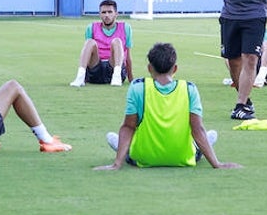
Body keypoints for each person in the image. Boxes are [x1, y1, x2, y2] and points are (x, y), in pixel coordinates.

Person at [96, 42, 238, 170]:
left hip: (144, 157)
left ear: (149, 68)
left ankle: (127, 154)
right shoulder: (189, 89)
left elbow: (128, 127)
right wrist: (216, 164)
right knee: (211, 135)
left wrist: (116, 164)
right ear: (175, 68)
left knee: (112, 137)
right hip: (182, 156)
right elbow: (197, 129)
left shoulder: (138, 87)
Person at [70, 0, 133, 87]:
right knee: (89, 42)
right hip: (96, 69)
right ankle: (80, 77)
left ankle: (116, 75)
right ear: (100, 14)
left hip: (113, 66)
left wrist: (131, 79)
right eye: (103, 12)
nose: (107, 15)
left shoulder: (126, 27)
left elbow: (128, 56)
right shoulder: (91, 27)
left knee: (117, 41)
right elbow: (87, 54)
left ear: (116, 14)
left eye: (110, 12)